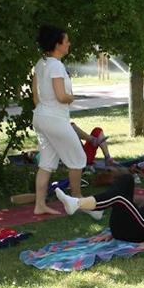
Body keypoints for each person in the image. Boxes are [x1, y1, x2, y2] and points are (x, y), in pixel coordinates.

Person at [31, 25, 86, 216]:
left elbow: (36, 96)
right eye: (66, 40)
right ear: (58, 44)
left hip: (40, 116)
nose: (69, 43)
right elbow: (62, 96)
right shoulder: (56, 65)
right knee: (78, 159)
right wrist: (73, 97)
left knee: (46, 162)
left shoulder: (41, 63)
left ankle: (40, 205)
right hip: (54, 118)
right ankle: (78, 200)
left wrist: (43, 108)